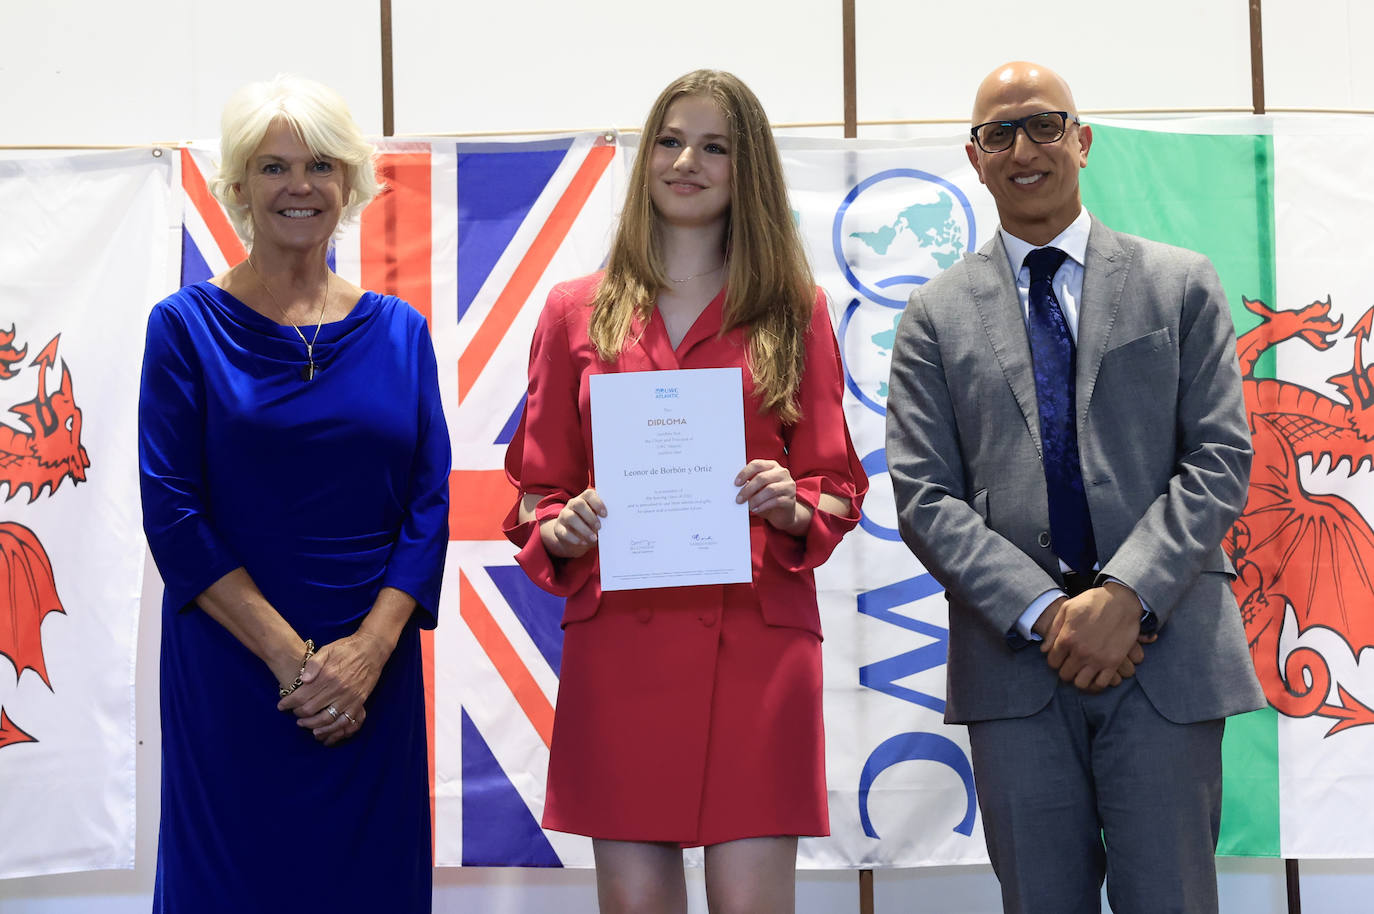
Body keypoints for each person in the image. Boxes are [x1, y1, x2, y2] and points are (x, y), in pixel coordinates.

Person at [885, 61, 1265, 914]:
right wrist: (1053, 615)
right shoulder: (935, 318)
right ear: (975, 159)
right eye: (999, 134)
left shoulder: (1180, 283)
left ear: (1082, 141)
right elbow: (924, 496)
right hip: (1014, 667)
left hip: (1165, 658)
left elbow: (1217, 460)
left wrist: (1126, 595)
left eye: (1045, 125)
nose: (1024, 148)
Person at [503, 69, 867, 914]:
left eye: (714, 147)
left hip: (758, 641)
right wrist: (563, 526)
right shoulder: (572, 312)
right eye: (669, 141)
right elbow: (536, 487)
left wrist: (792, 500)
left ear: (750, 171)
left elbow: (839, 483)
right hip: (623, 640)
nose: (685, 162)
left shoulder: (793, 308)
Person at [138, 75, 449, 912]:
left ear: (350, 182)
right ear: (238, 188)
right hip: (235, 673)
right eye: (273, 168)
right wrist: (297, 663)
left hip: (371, 679)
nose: (299, 186)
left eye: (319, 164)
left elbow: (428, 507)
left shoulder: (401, 332)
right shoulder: (183, 328)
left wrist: (367, 654)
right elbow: (173, 513)